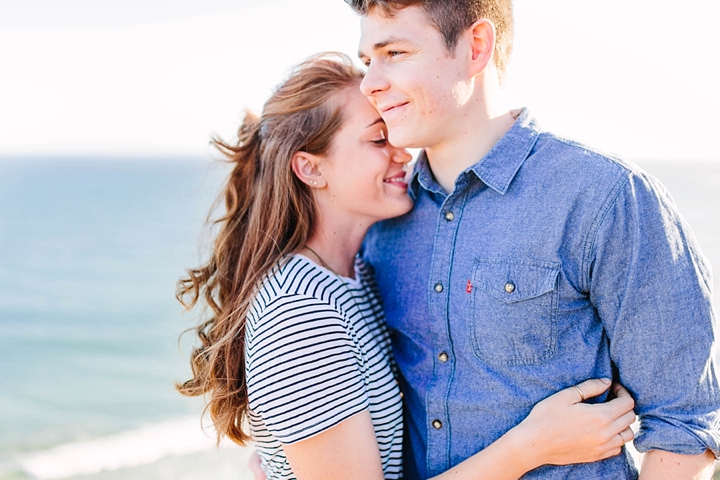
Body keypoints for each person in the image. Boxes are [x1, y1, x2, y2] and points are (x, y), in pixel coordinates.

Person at [177, 52, 637, 480]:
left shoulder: (356, 274)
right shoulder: (301, 313)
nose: (401, 150)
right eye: (378, 138)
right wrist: (533, 445)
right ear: (310, 169)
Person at [346, 0, 720, 478]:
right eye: (366, 61)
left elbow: (683, 428)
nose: (371, 84)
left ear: (476, 47)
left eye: (394, 52)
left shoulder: (603, 195)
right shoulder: (381, 222)